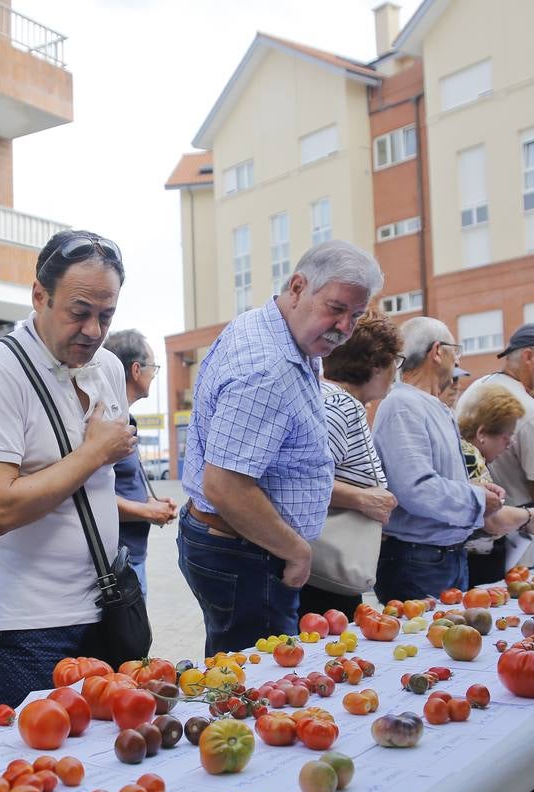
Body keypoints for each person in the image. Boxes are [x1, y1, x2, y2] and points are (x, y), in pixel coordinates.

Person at [0, 230, 135, 709]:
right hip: (26, 628)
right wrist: (96, 452)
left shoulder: (109, 367)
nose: (94, 331)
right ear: (39, 295)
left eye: (106, 315)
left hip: (108, 608)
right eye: (79, 313)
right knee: (37, 776)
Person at [179, 241, 382, 654]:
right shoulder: (267, 367)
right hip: (247, 553)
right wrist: (297, 551)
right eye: (336, 308)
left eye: (356, 316)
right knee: (259, 689)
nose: (344, 326)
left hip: (243, 546)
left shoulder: (283, 332)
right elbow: (225, 485)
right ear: (297, 287)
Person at [373, 317, 504, 599]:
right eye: (455, 350)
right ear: (437, 351)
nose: (457, 358)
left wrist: (476, 491)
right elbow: (417, 489)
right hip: (418, 562)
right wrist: (477, 499)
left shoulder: (430, 406)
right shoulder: (402, 405)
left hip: (440, 558)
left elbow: (437, 480)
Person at [297, 312, 401, 619]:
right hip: (326, 572)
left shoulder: (331, 399)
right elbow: (304, 481)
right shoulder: (340, 405)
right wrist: (363, 498)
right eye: (396, 359)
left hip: (324, 569)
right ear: (375, 363)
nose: (397, 370)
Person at [456, 323, 534, 567]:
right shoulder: (531, 411)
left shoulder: (475, 389)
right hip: (517, 543)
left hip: (471, 540)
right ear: (528, 357)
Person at [105, 329, 178, 596]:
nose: (153, 374)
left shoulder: (125, 418)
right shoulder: (109, 423)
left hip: (131, 556)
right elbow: (89, 495)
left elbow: (118, 487)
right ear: (136, 370)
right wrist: (148, 512)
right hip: (118, 560)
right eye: (153, 367)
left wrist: (150, 504)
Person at [457, 385, 534, 586]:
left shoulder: (462, 448)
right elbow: (491, 519)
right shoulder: (471, 456)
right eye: (506, 437)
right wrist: (530, 516)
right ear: (482, 433)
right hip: (474, 568)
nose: (509, 445)